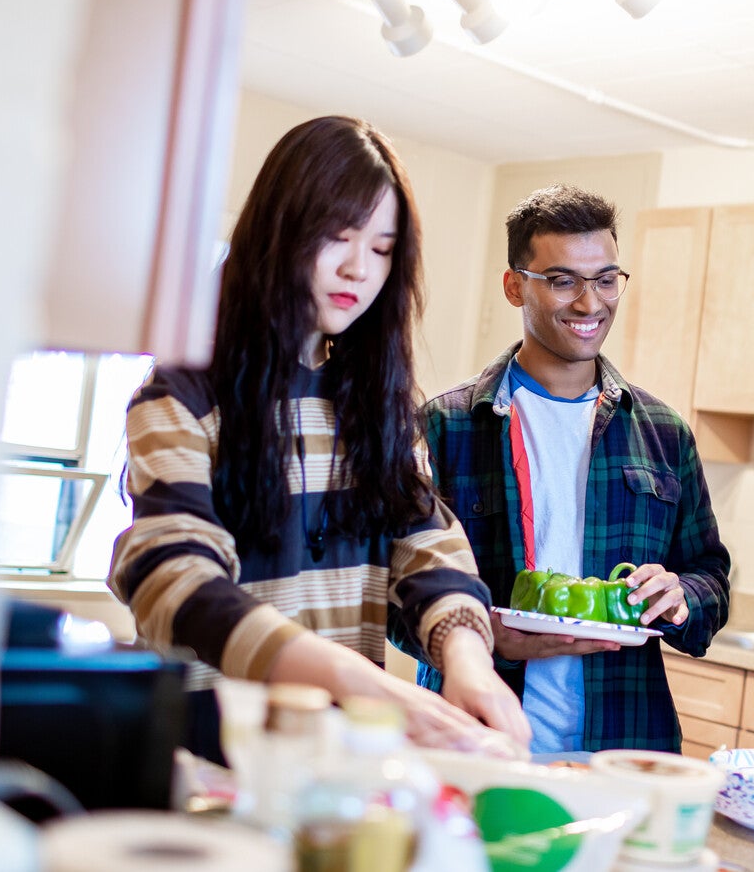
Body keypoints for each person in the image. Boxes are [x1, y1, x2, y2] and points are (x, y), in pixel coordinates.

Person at [108, 116, 529, 765]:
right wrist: (367, 683)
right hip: (209, 753)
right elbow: (176, 579)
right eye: (338, 234)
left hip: (339, 764)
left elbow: (428, 548)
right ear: (280, 229)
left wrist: (468, 660)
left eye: (383, 248)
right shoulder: (181, 398)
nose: (359, 267)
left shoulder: (377, 407)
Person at [392, 184, 731, 754]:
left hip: (625, 744)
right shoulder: (445, 428)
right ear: (514, 285)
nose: (589, 303)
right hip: (477, 738)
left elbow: (711, 577)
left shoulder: (663, 433)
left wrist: (680, 597)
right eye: (562, 280)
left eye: (605, 279)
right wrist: (478, 640)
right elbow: (389, 592)